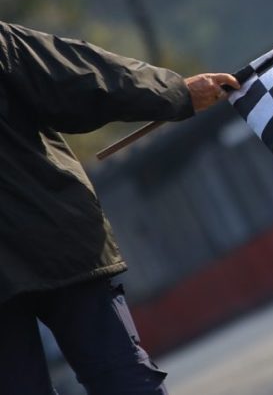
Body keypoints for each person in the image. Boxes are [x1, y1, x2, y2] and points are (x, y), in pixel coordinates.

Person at [0, 20, 240, 394]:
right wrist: (176, 92)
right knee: (120, 377)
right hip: (54, 236)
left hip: (53, 241)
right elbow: (81, 81)